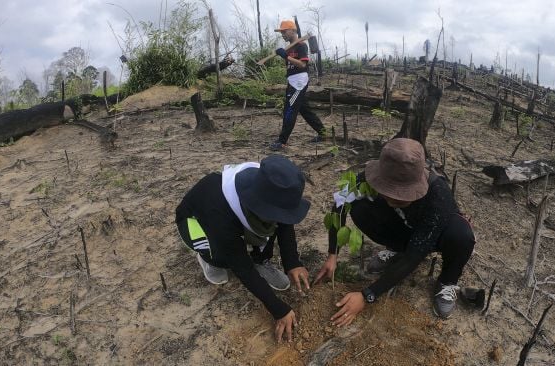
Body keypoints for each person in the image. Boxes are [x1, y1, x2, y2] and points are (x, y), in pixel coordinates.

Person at [313, 138, 476, 324]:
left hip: (432, 234)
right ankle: (395, 248)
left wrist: (368, 295)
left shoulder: (438, 194)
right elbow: (339, 205)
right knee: (358, 207)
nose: (393, 200)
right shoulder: (366, 178)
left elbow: (415, 254)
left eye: (400, 197)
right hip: (403, 228)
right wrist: (332, 254)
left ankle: (447, 281)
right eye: (388, 192)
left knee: (461, 235)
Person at [175, 155, 311, 342]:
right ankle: (209, 260)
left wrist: (292, 262)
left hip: (234, 217)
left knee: (267, 225)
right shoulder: (219, 210)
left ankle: (260, 260)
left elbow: (284, 220)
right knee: (222, 253)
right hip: (196, 221)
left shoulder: (270, 185)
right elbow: (242, 268)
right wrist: (278, 309)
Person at [269, 19, 326, 151]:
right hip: (292, 81)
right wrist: (284, 54)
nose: (282, 34)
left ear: (293, 30)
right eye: (281, 32)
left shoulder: (301, 45)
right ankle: (323, 133)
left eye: (284, 31)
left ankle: (282, 141)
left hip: (299, 81)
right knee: (304, 109)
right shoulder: (289, 47)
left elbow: (302, 64)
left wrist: (286, 57)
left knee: (289, 109)